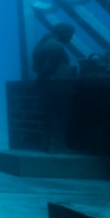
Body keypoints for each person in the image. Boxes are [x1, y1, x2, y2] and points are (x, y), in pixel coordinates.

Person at [32, 23, 75, 153]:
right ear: (62, 32)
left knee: (49, 116)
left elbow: (36, 68)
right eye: (70, 34)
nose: (71, 38)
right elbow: (48, 67)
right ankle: (58, 146)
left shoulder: (41, 45)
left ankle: (47, 145)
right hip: (58, 84)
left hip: (49, 84)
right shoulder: (55, 46)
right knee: (60, 115)